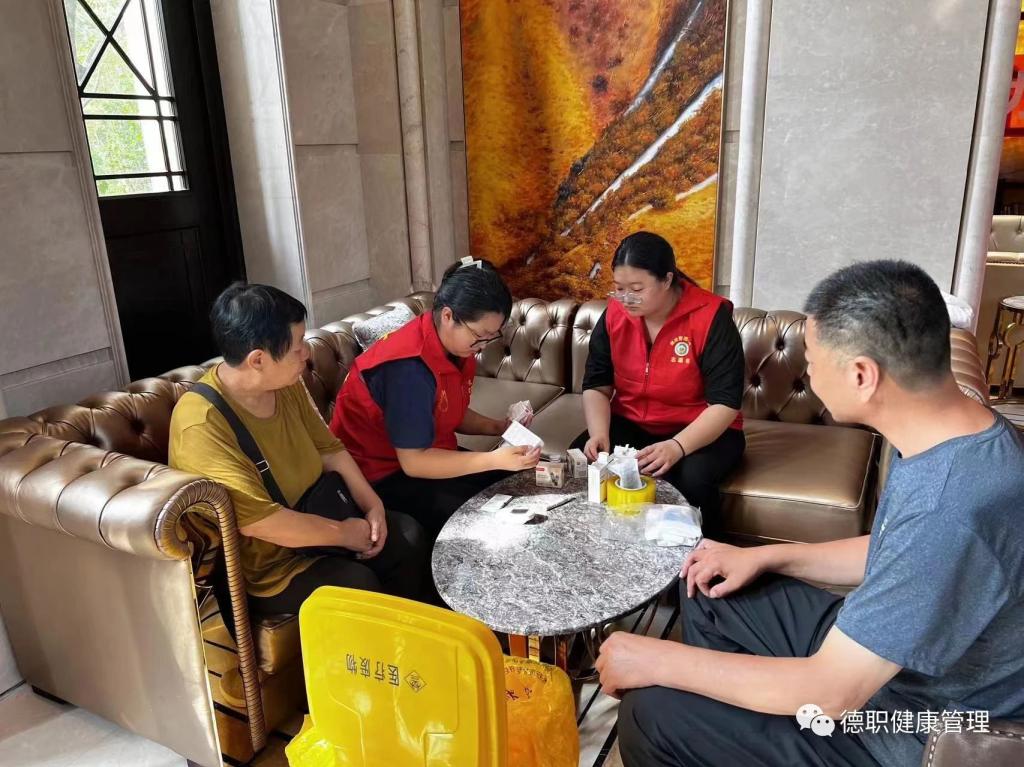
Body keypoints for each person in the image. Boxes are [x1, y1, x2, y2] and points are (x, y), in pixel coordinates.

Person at [596, 260, 1024, 767]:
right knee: (710, 585)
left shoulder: (949, 505)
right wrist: (765, 556)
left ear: (862, 375)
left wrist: (655, 658)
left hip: (909, 722)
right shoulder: (963, 436)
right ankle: (745, 720)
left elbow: (832, 692)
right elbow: (896, 550)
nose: (810, 373)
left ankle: (746, 722)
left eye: (815, 362)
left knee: (651, 713)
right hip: (887, 660)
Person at [169, 283, 429, 621]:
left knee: (408, 536)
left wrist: (372, 505)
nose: (306, 353)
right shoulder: (202, 423)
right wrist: (345, 534)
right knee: (356, 584)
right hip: (275, 566)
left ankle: (412, 639)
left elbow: (329, 449)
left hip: (325, 516)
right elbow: (262, 523)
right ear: (257, 359)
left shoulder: (283, 383)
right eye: (297, 347)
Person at [330, 259, 541, 540]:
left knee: (515, 485)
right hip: (379, 476)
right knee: (488, 520)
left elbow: (446, 408)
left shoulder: (455, 347)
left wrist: (499, 427)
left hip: (426, 454)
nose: (483, 346)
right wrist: (492, 459)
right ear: (448, 316)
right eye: (480, 335)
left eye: (493, 336)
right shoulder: (407, 369)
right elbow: (414, 463)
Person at [571, 231, 745, 527]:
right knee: (585, 461)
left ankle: (706, 550)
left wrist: (677, 446)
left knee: (692, 478)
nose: (626, 298)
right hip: (633, 422)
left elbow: (725, 403)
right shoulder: (614, 314)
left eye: (637, 289)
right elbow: (597, 385)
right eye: (619, 288)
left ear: (666, 280)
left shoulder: (710, 316)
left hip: (702, 429)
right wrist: (599, 432)